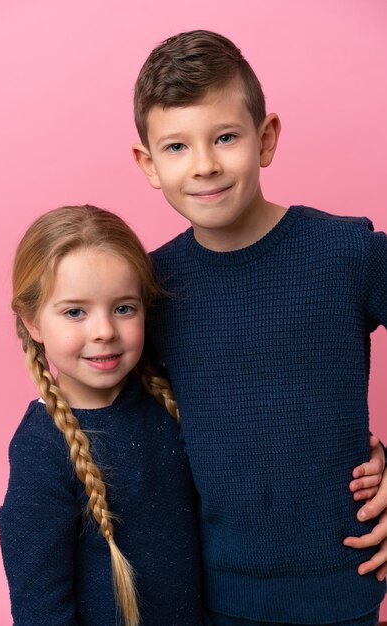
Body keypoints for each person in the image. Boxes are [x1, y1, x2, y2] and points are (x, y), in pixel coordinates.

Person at [132, 30, 387, 625]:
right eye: (176, 147)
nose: (204, 166)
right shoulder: (153, 287)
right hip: (215, 596)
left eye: (225, 137)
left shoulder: (346, 252)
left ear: (265, 138)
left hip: (343, 586)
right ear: (148, 163)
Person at [0, 205, 203, 626]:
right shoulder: (43, 447)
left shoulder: (171, 403)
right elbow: (40, 605)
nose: (104, 330)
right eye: (75, 312)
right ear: (32, 321)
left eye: (124, 308)